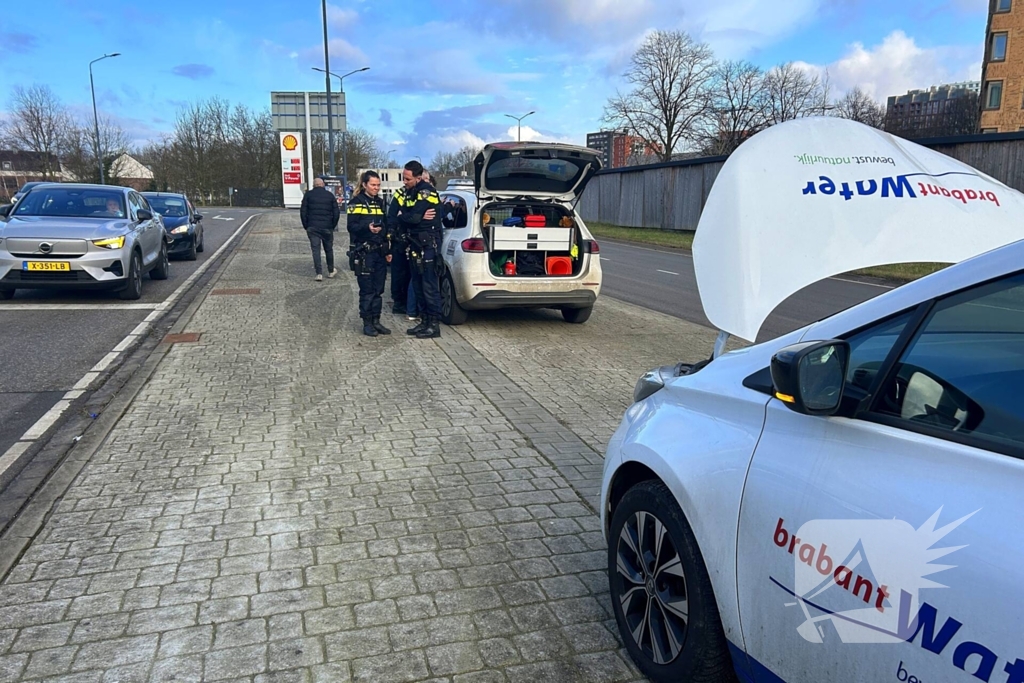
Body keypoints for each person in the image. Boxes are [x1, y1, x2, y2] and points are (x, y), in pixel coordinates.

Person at [396, 161, 443, 338]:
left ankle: (434, 325)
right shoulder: (410, 191)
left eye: (407, 178)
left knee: (429, 286)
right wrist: (409, 216)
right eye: (403, 177)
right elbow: (407, 214)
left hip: (428, 245)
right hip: (415, 244)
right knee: (417, 285)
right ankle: (424, 321)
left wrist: (406, 217)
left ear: (418, 177)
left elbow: (413, 218)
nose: (404, 181)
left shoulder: (426, 192)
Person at [347, 171, 392, 337]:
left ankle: (376, 321)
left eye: (378, 185)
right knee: (367, 290)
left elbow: (386, 227)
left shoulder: (380, 203)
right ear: (365, 184)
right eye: (373, 185)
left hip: (379, 252)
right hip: (365, 252)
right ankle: (367, 323)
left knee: (379, 289)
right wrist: (367, 229)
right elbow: (351, 227)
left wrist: (388, 250)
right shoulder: (356, 202)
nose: (376, 188)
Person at [300, 177, 341, 282]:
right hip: (327, 227)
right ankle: (331, 271)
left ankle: (319, 273)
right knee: (328, 249)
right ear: (323, 185)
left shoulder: (308, 195)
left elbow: (303, 212)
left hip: (312, 227)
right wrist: (332, 225)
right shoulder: (330, 196)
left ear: (314, 185)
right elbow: (336, 213)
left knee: (315, 250)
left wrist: (306, 225)